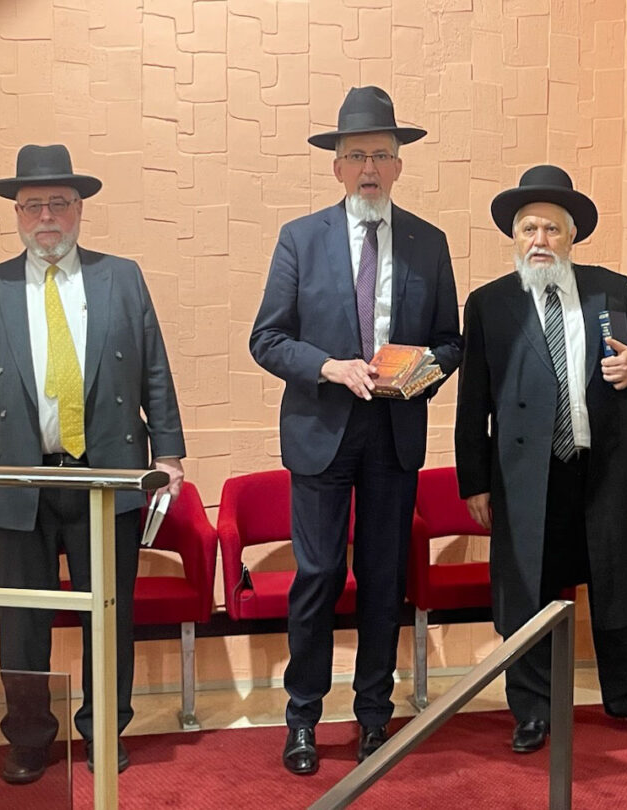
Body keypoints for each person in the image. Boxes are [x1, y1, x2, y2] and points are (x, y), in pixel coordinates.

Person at [0, 144, 186, 784]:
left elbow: (155, 369)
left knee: (109, 615)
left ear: (79, 209)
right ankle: (27, 739)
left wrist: (168, 451)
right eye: (32, 205)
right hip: (15, 476)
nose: (46, 216)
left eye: (58, 203)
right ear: (16, 214)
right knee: (21, 621)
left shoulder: (122, 278)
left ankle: (104, 731)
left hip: (104, 475)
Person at [249, 86, 462, 775]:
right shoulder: (300, 238)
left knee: (382, 577)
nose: (369, 167)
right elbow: (267, 338)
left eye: (380, 155)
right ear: (336, 166)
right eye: (356, 155)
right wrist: (329, 367)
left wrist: (419, 372)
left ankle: (374, 716)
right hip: (321, 430)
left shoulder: (429, 243)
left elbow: (451, 343)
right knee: (317, 574)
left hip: (393, 433)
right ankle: (302, 718)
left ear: (399, 165)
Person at [454, 165, 627, 753]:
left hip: (603, 468)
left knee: (616, 583)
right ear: (514, 237)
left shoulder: (612, 289)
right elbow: (471, 401)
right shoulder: (489, 304)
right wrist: (474, 481)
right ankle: (532, 710)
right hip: (526, 477)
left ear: (572, 235)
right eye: (528, 229)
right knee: (529, 591)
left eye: (552, 229)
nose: (540, 240)